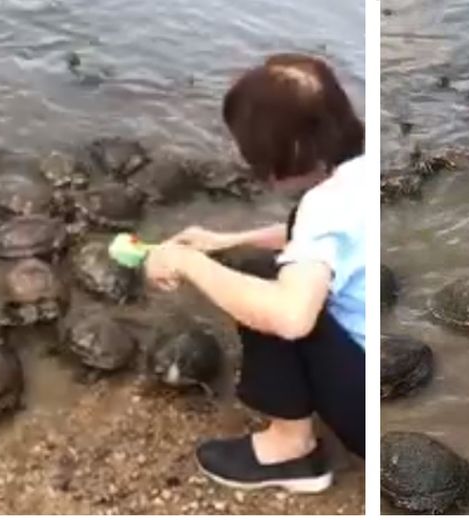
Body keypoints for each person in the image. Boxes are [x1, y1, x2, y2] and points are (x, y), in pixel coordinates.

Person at [143, 53, 365, 494]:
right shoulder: (362, 170)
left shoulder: (326, 204)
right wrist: (223, 240)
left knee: (264, 289)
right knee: (265, 266)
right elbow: (317, 235)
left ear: (291, 150)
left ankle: (291, 451)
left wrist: (189, 262)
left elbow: (291, 316)